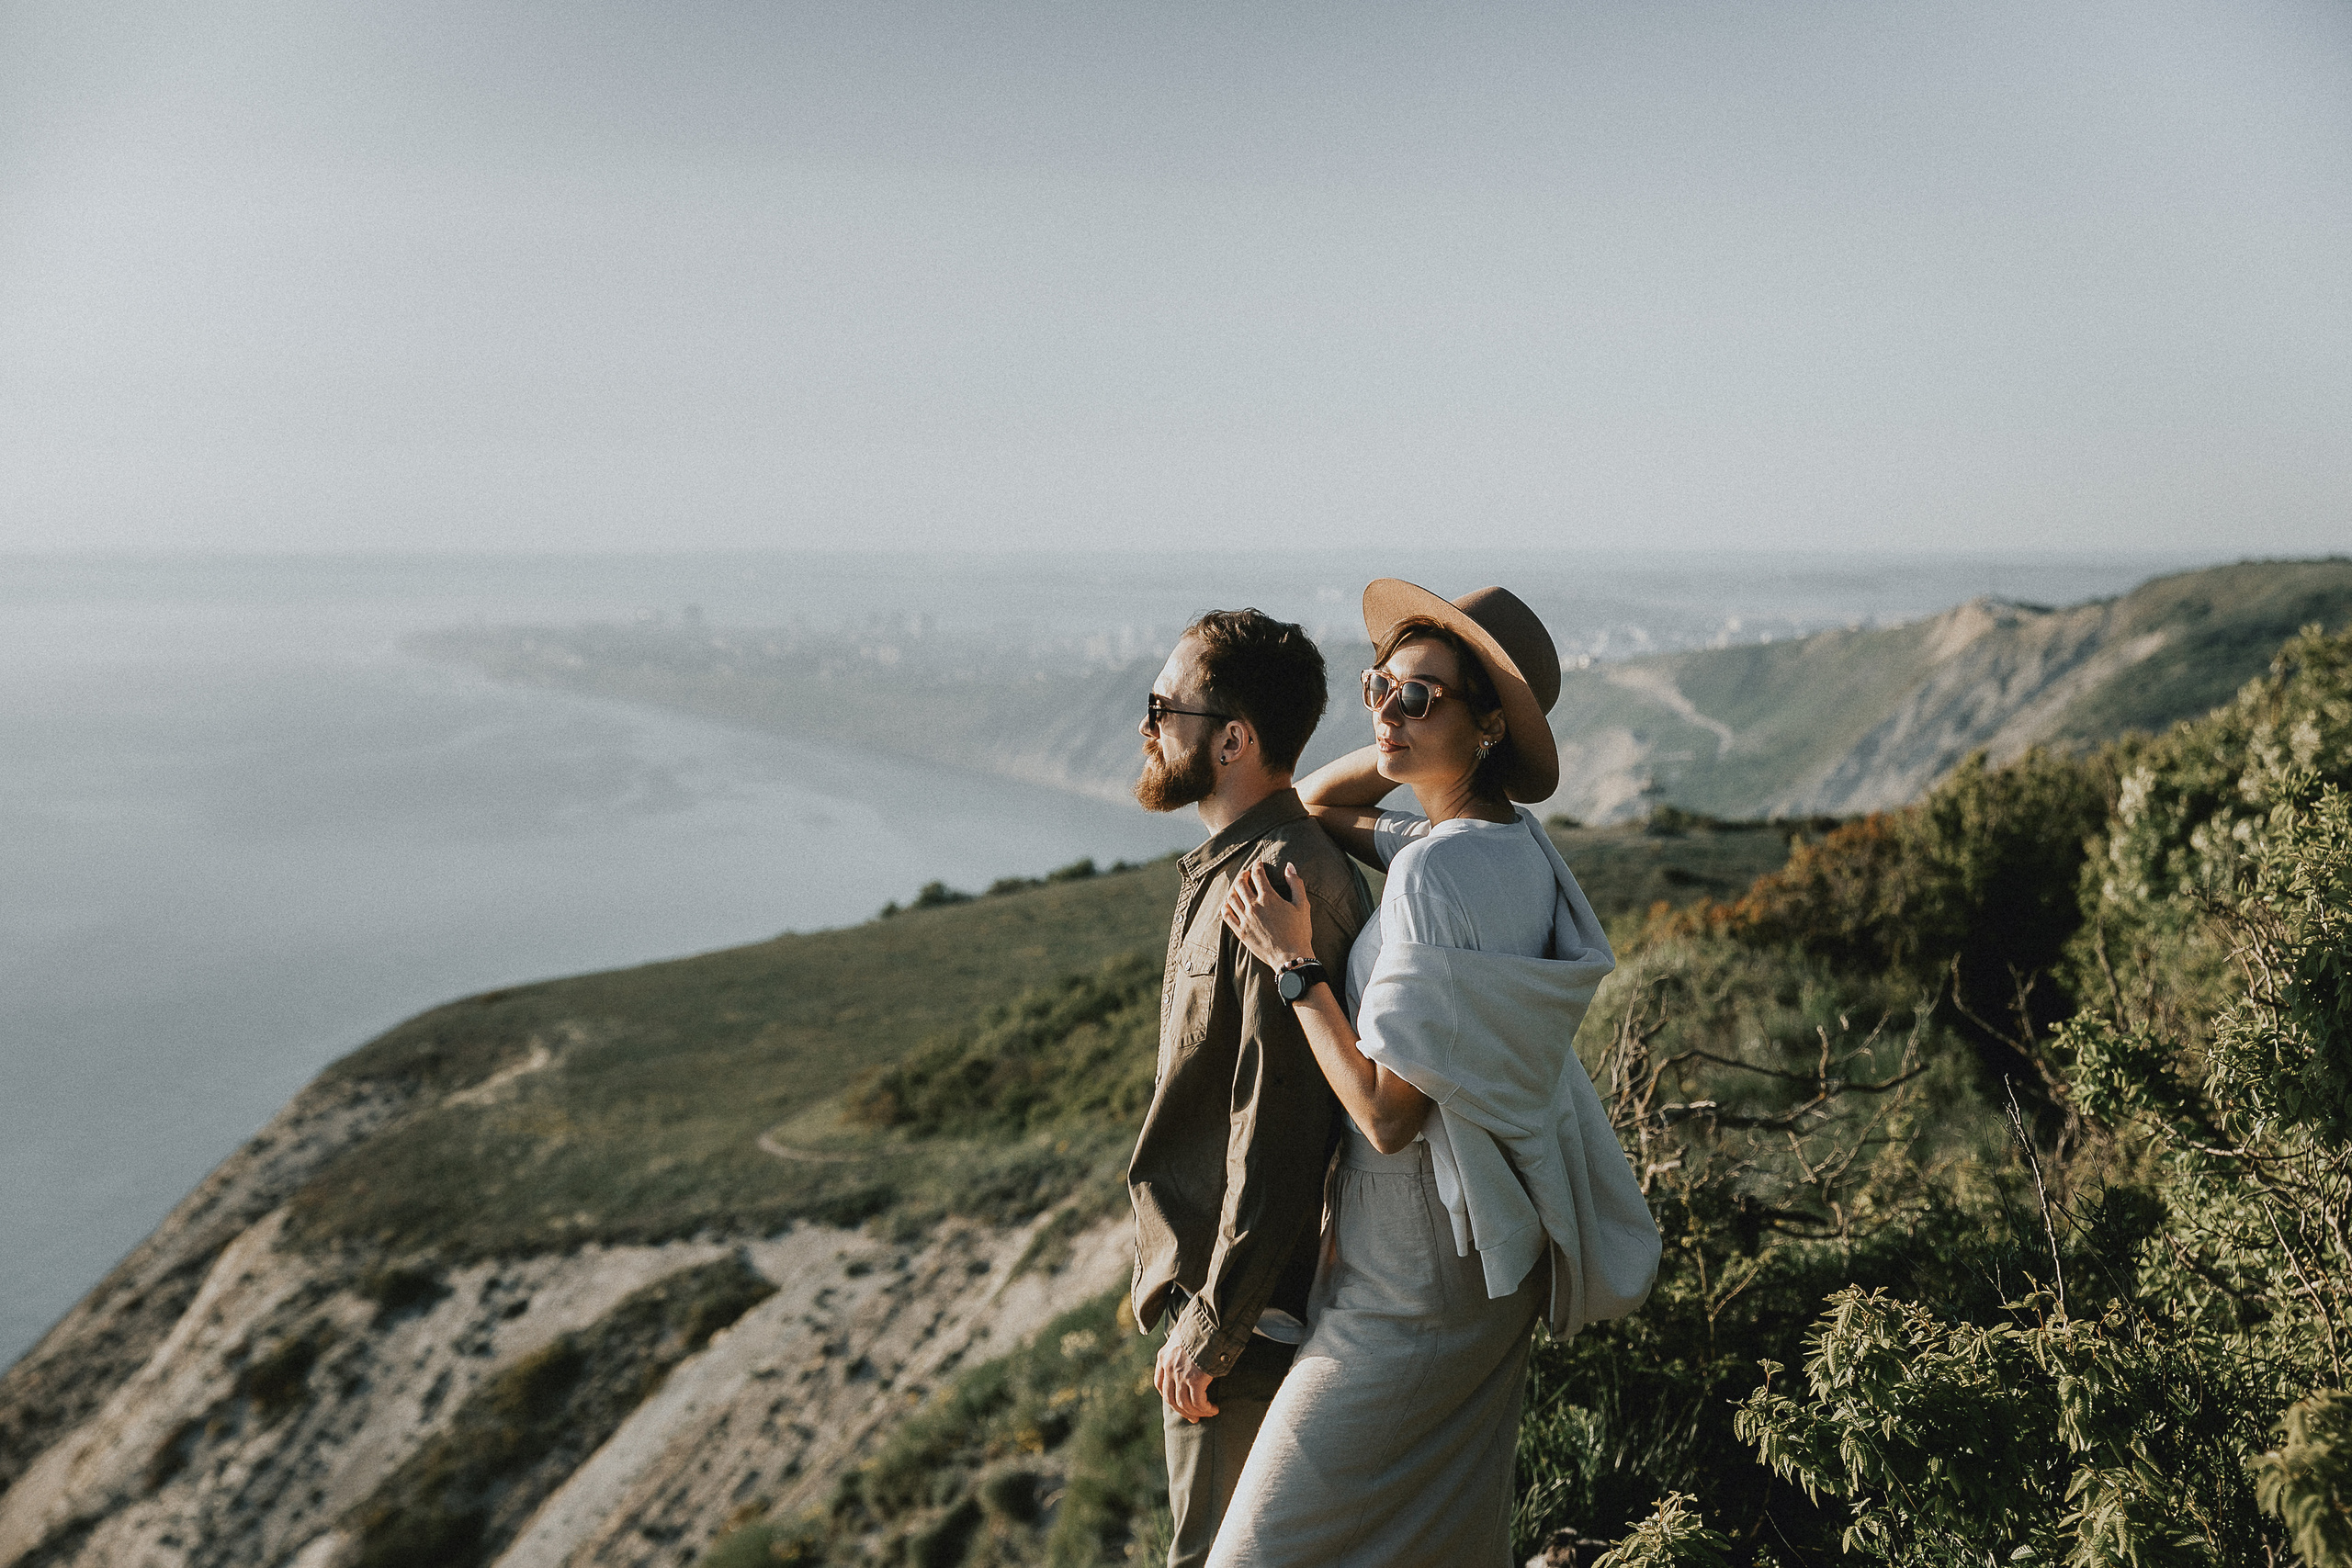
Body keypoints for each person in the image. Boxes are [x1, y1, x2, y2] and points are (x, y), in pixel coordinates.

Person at [1208, 581, 1661, 1568]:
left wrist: (1294, 966)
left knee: (1256, 1555)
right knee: (1436, 1537)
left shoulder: (1431, 872)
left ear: (1490, 726)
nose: (1383, 710)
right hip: (1483, 1258)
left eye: (1419, 698)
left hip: (1408, 1276)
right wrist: (1402, 731)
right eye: (1377, 687)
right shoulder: (1514, 852)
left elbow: (1383, 1114)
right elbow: (1320, 805)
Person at [1125, 608, 1376, 1568]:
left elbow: (1274, 1127)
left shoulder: (1270, 885)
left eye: (1163, 706)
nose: (1147, 727)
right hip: (1229, 1306)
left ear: (1233, 740)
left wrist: (1211, 1326)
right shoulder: (1248, 862)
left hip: (1239, 1322)